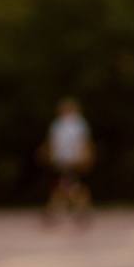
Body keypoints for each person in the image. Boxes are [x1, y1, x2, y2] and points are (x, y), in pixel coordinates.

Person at [42, 97, 94, 227]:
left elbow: (82, 142)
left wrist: (82, 157)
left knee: (67, 185)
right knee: (69, 185)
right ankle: (80, 210)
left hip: (72, 160)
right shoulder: (59, 124)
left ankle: (55, 212)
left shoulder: (78, 124)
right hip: (63, 160)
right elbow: (54, 143)